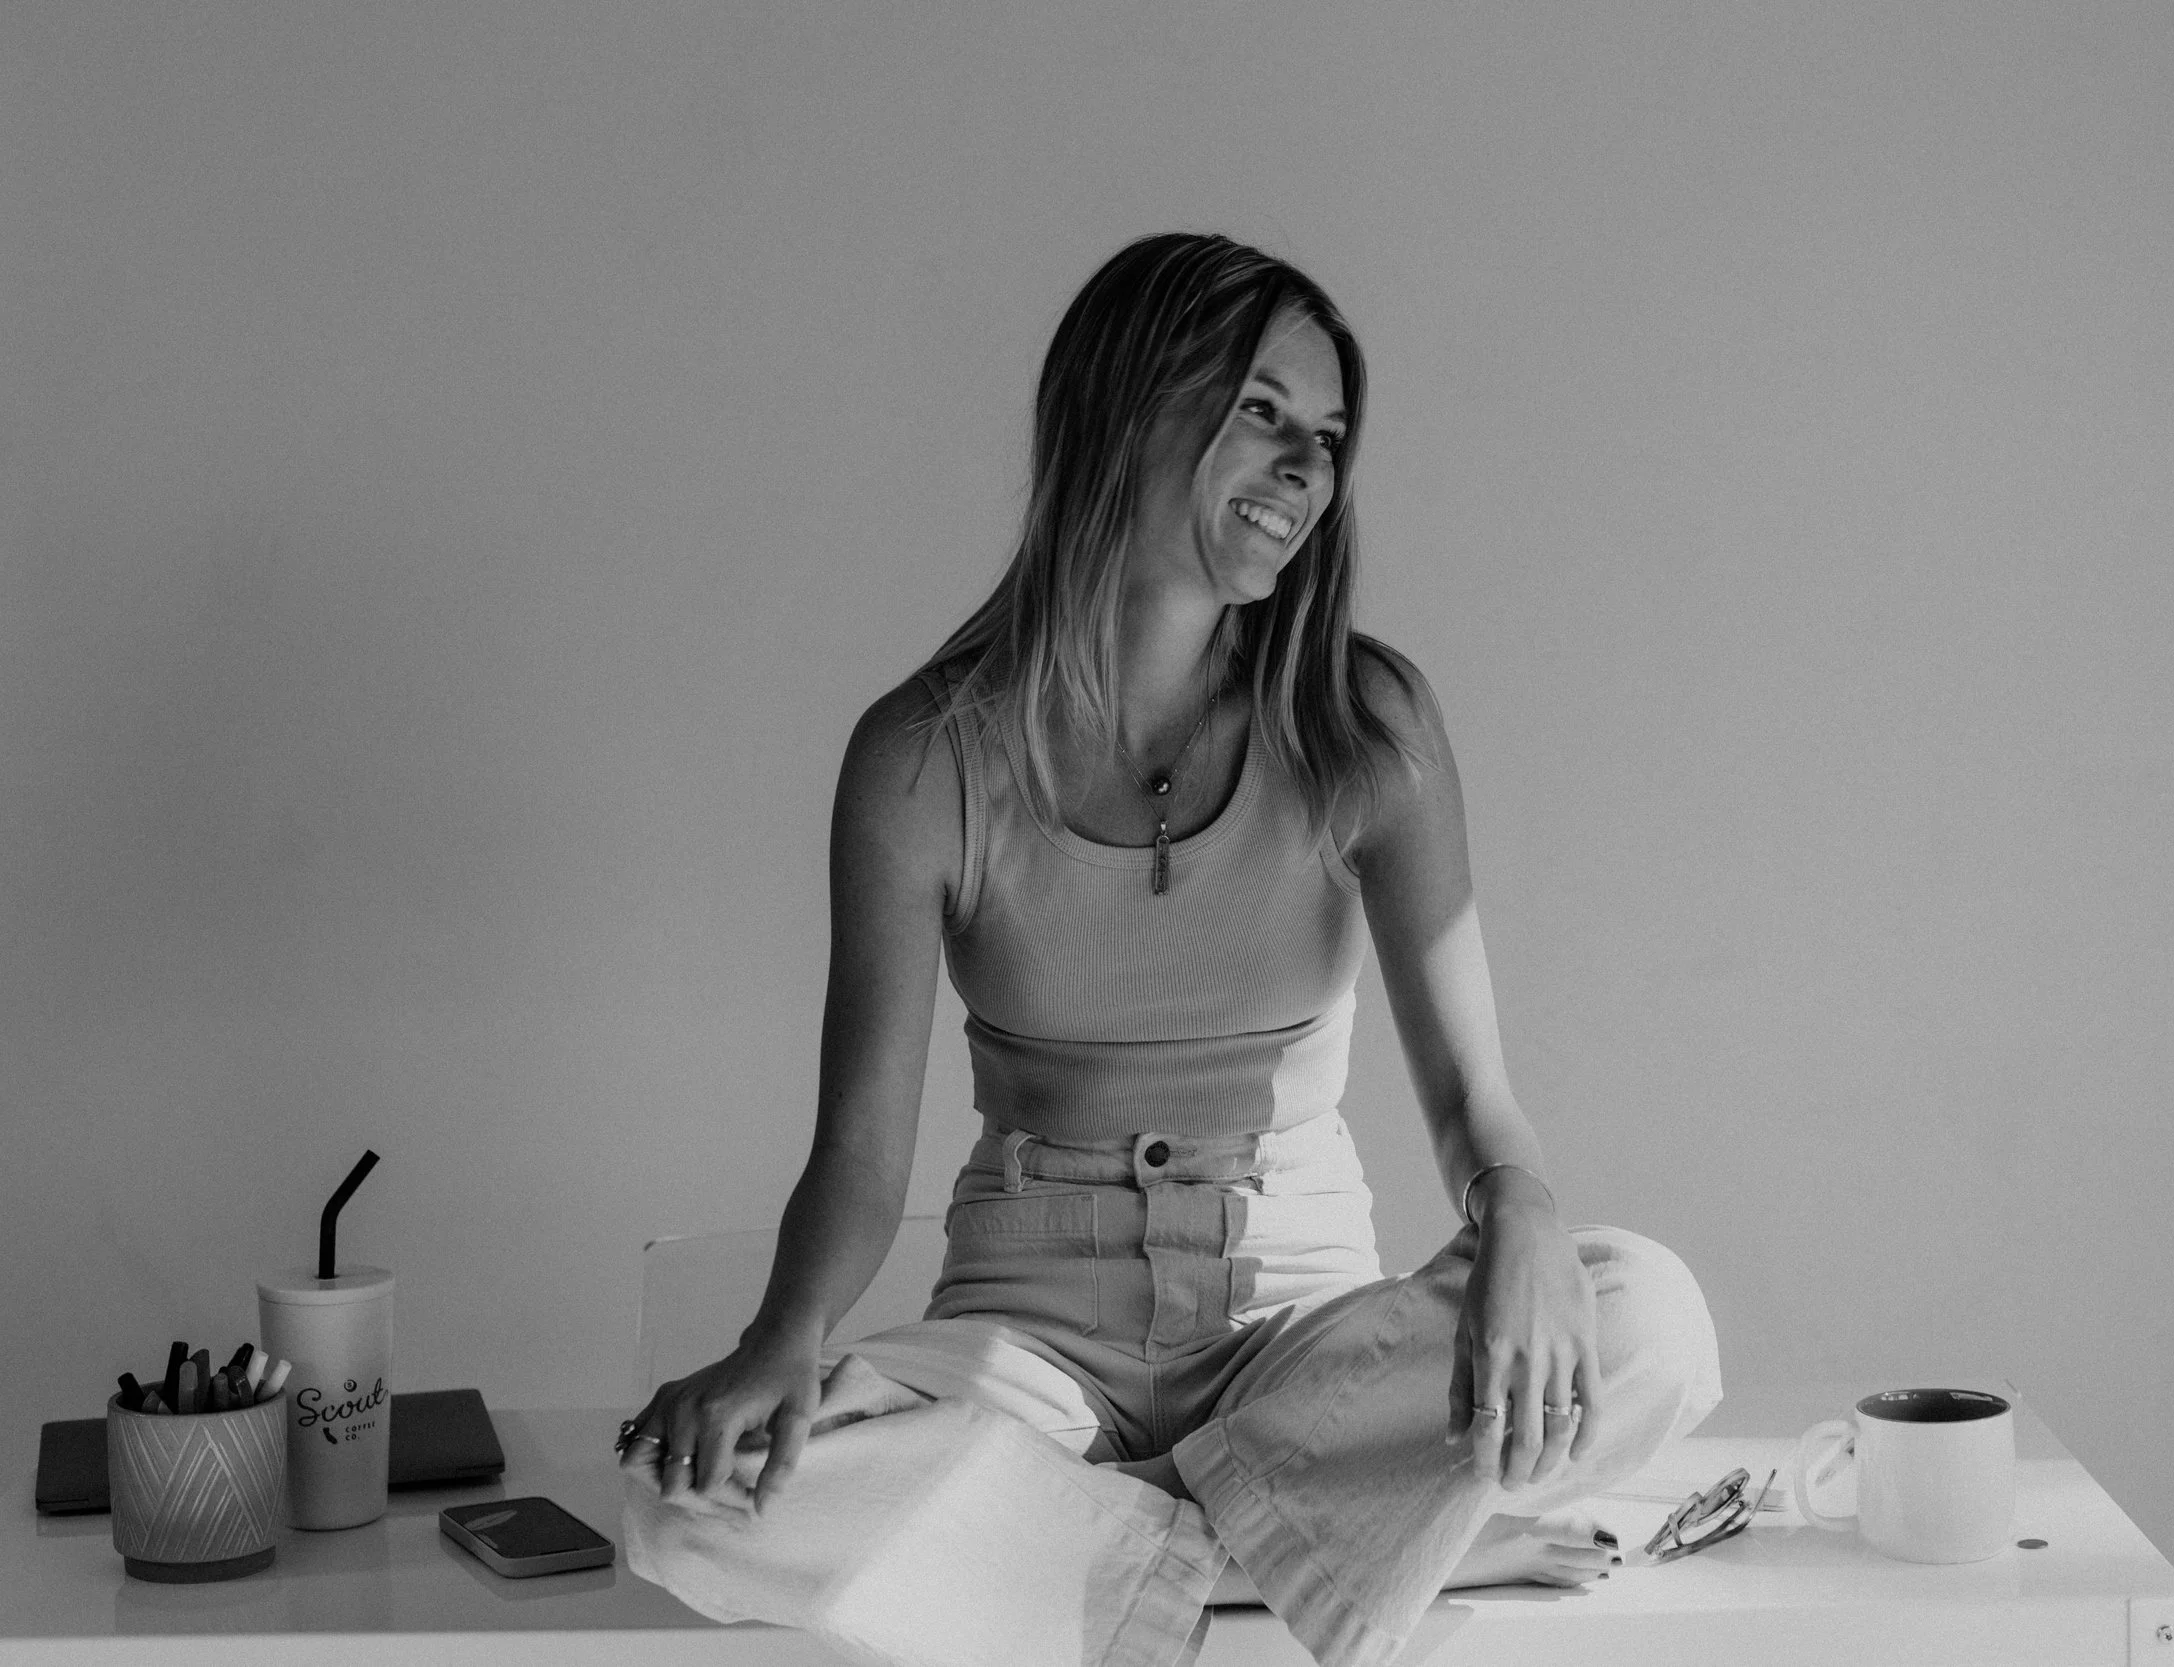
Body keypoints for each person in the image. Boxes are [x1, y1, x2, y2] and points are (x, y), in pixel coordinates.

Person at [617, 232, 1723, 1667]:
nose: (1303, 469)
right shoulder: (922, 758)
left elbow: (1471, 1099)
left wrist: (1517, 1208)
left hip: (1298, 1335)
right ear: (1125, 403)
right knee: (680, 1506)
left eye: (1324, 437)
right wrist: (781, 1337)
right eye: (1261, 409)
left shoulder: (1367, 725)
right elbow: (858, 1155)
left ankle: (1113, 1547)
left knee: (1654, 1322)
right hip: (1030, 1339)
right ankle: (1344, 1541)